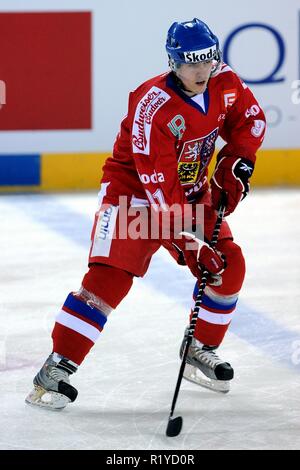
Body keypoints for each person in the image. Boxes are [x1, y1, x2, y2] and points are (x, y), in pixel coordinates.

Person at [26, 18, 266, 409]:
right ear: (173, 62)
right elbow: (158, 190)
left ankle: (200, 347)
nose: (202, 70)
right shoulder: (151, 104)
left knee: (228, 263)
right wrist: (190, 243)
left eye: (208, 59)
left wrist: (237, 163)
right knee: (109, 279)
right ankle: (55, 368)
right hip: (133, 196)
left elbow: (252, 122)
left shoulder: (226, 82)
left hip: (187, 193)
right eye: (192, 63)